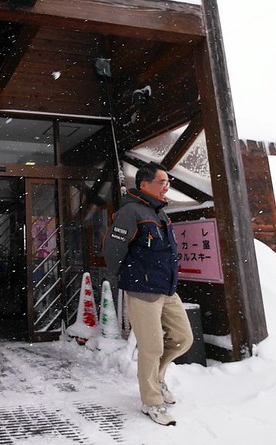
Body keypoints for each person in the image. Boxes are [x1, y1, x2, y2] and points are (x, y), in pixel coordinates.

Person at [103, 162, 193, 426]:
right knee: (151, 347)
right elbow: (113, 249)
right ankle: (151, 401)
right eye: (162, 182)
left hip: (166, 289)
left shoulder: (160, 213)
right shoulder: (130, 212)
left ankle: (157, 378)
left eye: (168, 182)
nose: (167, 187)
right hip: (143, 290)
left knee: (183, 339)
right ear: (144, 185)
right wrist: (129, 276)